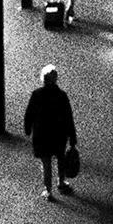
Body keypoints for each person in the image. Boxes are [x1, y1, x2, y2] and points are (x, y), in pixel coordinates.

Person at [24, 65, 78, 201]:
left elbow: (29, 114)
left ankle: (48, 190)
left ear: (43, 79)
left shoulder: (36, 94)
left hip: (41, 135)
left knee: (46, 163)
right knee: (60, 158)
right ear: (56, 79)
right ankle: (61, 182)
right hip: (59, 134)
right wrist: (72, 138)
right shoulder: (62, 95)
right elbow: (68, 117)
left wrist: (27, 129)